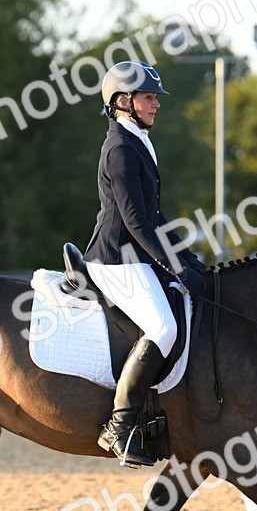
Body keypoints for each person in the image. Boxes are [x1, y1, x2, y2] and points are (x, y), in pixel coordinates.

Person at [83, 60, 207, 467]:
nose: (156, 105)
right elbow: (135, 222)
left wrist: (187, 258)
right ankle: (119, 426)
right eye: (149, 97)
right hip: (116, 260)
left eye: (155, 98)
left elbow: (155, 217)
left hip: (134, 255)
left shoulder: (137, 139)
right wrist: (172, 266)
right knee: (164, 326)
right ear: (123, 101)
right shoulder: (120, 149)